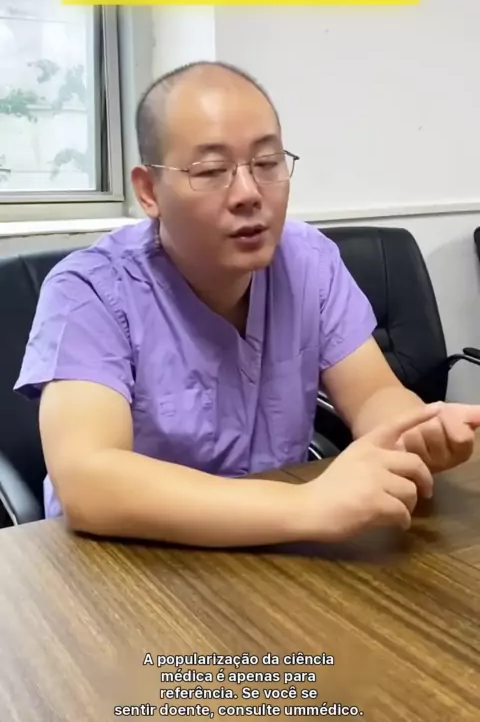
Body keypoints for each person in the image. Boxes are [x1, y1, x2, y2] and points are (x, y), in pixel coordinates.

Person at [15, 61, 479, 548]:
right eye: (212, 171)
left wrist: (414, 431)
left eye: (267, 163)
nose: (249, 193)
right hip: (128, 562)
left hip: (275, 549)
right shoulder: (89, 290)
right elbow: (89, 481)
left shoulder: (308, 261)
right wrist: (308, 505)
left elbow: (372, 395)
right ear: (149, 191)